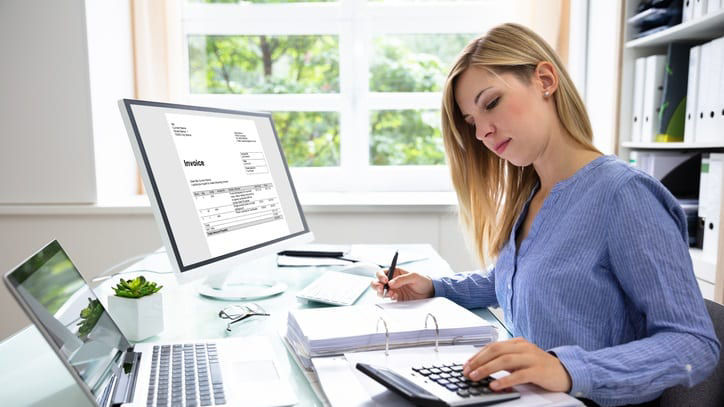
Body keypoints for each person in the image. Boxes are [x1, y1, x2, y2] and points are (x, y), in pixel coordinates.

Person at [371, 23, 720, 406]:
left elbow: (693, 344)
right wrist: (436, 286)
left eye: (491, 103)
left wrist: (569, 369)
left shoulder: (624, 195)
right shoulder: (531, 193)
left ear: (545, 80)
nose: (483, 133)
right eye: (471, 123)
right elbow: (521, 280)